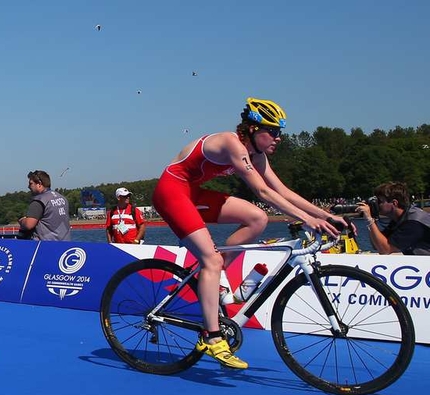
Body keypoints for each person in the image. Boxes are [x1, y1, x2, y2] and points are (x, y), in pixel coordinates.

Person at [151, 97, 343, 369]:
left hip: (193, 192)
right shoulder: (232, 143)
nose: (278, 138)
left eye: (279, 132)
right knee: (211, 260)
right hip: (171, 192)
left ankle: (216, 279)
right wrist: (308, 220)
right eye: (273, 132)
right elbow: (262, 191)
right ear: (253, 129)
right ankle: (212, 337)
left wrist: (324, 216)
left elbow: (282, 191)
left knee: (257, 218)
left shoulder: (257, 154)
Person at [358, 182, 430, 255]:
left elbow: (385, 250)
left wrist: (369, 220)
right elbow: (377, 245)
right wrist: (373, 217)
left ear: (394, 203)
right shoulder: (400, 219)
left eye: (379, 202)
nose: (377, 205)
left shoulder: (413, 223)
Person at [18, 170, 72, 241]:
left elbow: (29, 224)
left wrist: (22, 221)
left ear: (39, 184)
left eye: (31, 183)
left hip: (46, 244)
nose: (28, 186)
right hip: (65, 244)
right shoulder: (62, 198)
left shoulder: (39, 201)